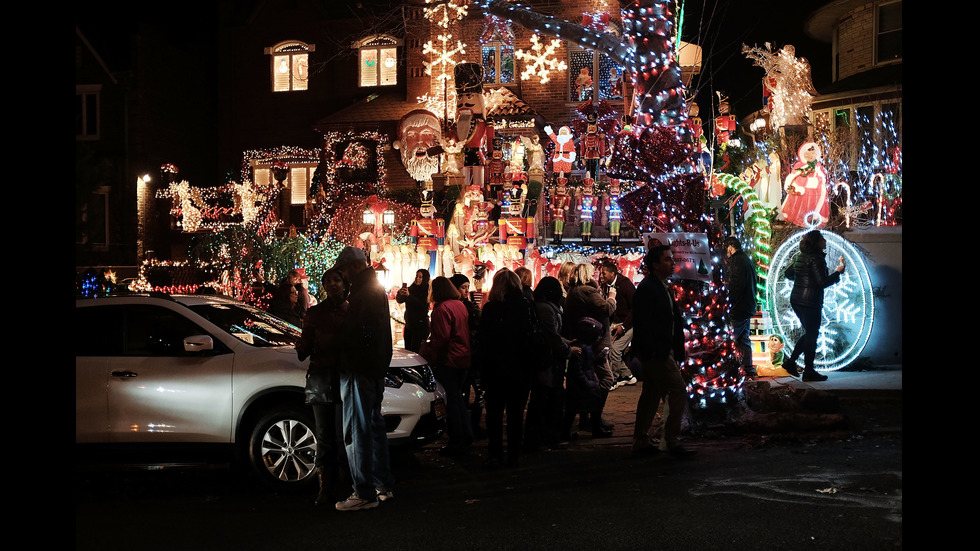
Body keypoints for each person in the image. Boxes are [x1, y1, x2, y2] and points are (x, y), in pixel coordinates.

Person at [333, 247, 395, 511]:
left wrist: (344, 349)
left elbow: (362, 334)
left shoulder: (363, 292)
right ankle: (381, 484)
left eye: (344, 271)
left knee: (356, 430)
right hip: (372, 369)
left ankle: (363, 491)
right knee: (373, 426)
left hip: (360, 369)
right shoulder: (372, 288)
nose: (343, 276)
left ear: (352, 267)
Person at [632, 246, 696, 457]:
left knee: (651, 393)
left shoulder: (661, 286)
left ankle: (641, 439)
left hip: (659, 350)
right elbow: (643, 322)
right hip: (657, 352)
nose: (672, 263)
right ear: (655, 264)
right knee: (677, 390)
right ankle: (669, 440)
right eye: (667, 260)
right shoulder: (649, 288)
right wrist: (650, 350)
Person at [295, 268, 349, 505]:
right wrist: (302, 345)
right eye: (327, 281)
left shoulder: (353, 312)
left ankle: (347, 486)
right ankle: (326, 489)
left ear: (344, 283)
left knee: (342, 434)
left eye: (336, 280)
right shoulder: (315, 313)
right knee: (325, 436)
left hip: (345, 378)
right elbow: (304, 347)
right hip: (320, 379)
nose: (332, 284)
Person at [476, 268, 536, 468]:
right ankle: (513, 454)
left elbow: (483, 342)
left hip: (496, 370)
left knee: (494, 414)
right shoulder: (527, 306)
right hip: (520, 369)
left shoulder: (491, 309)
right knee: (516, 414)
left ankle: (495, 453)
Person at [420, 277, 473, 456]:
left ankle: (457, 438)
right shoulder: (459, 305)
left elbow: (441, 338)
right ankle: (466, 434)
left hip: (450, 359)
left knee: (450, 400)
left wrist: (427, 348)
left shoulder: (441, 309)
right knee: (457, 397)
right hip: (463, 357)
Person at [562, 263, 616, 438]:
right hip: (593, 344)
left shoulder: (574, 291)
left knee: (585, 383)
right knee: (605, 379)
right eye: (593, 273)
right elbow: (606, 309)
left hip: (585, 342)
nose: (596, 276)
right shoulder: (587, 291)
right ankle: (594, 420)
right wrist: (612, 298)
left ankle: (589, 420)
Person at [783, 230, 845, 382]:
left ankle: (792, 363)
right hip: (810, 301)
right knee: (812, 334)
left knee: (810, 333)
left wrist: (802, 280)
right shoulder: (817, 259)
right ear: (816, 242)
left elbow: (788, 274)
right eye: (822, 239)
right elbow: (822, 282)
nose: (825, 241)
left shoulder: (800, 256)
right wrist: (838, 272)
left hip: (797, 299)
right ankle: (808, 371)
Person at [525, 276, 575, 450]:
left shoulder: (544, 307)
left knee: (545, 397)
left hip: (549, 357)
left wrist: (566, 342)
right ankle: (543, 437)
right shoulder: (545, 309)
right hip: (548, 359)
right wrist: (567, 349)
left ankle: (541, 436)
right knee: (545, 398)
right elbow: (551, 335)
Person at [451, 273, 486, 439]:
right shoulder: (455, 306)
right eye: (463, 287)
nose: (466, 290)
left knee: (478, 391)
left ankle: (473, 424)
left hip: (475, 353)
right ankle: (463, 426)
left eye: (467, 287)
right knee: (462, 391)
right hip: (462, 354)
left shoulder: (470, 305)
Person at [598, 258, 637, 388]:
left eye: (604, 273)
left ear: (613, 274)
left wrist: (624, 327)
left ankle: (613, 380)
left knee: (615, 349)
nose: (601, 276)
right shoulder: (604, 285)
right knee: (607, 348)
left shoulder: (626, 285)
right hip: (615, 322)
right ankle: (627, 375)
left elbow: (635, 308)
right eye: (600, 273)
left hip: (629, 323)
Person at [724, 237, 758, 378]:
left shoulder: (737, 262)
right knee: (744, 338)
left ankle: (731, 370)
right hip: (747, 305)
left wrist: (729, 303)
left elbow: (736, 286)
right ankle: (748, 368)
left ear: (731, 247)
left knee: (732, 338)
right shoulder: (746, 260)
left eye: (726, 250)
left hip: (739, 306)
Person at [396, 269, 430, 352]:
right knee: (408, 349)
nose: (417, 279)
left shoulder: (427, 291)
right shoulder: (411, 288)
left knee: (416, 350)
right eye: (416, 276)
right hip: (410, 324)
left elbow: (422, 306)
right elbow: (400, 300)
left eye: (420, 277)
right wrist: (400, 293)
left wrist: (409, 296)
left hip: (420, 326)